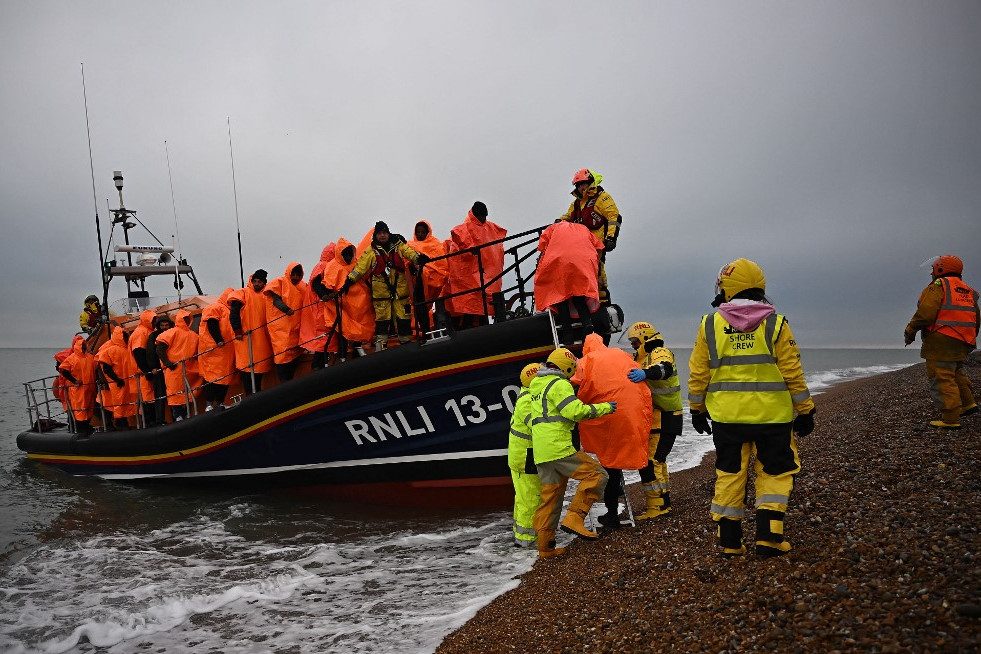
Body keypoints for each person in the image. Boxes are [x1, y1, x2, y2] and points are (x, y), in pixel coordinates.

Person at [688, 258, 815, 558]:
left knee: (730, 472)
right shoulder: (776, 323)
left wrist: (696, 409)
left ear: (726, 288)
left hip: (727, 418)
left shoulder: (709, 324)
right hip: (773, 418)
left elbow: (698, 373)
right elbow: (792, 372)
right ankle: (769, 537)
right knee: (774, 472)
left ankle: (730, 541)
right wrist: (806, 409)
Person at [530, 347, 617, 558]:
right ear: (567, 367)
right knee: (597, 475)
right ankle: (575, 518)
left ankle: (545, 547)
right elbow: (574, 411)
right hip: (559, 448)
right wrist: (605, 407)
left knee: (550, 499)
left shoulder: (536, 385)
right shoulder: (559, 384)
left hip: (541, 453)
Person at [571, 334, 651, 529]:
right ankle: (655, 500)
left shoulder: (586, 360)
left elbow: (574, 381)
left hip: (609, 415)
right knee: (624, 454)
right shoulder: (621, 354)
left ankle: (612, 514)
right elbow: (637, 372)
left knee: (610, 464)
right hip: (631, 412)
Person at [904, 254, 979, 428]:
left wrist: (910, 330)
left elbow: (926, 313)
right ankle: (968, 404)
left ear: (940, 269)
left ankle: (951, 419)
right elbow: (977, 319)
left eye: (934, 269)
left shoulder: (939, 286)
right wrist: (969, 339)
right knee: (956, 373)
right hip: (963, 340)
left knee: (942, 377)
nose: (931, 273)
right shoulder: (968, 290)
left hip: (941, 339)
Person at [626, 321, 684, 520]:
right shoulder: (641, 357)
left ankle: (657, 506)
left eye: (634, 341)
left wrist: (645, 374)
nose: (633, 344)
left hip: (668, 415)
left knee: (652, 462)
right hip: (659, 417)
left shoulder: (659, 351)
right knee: (658, 460)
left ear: (644, 338)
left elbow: (664, 369)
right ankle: (663, 502)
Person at [346, 221, 427, 349]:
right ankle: (380, 349)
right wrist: (349, 280)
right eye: (379, 233)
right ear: (375, 235)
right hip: (381, 294)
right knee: (382, 322)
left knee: (404, 318)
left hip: (400, 293)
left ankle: (406, 345)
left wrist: (419, 258)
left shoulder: (398, 245)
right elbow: (360, 268)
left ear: (388, 233)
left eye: (384, 233)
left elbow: (410, 253)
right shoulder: (371, 251)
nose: (382, 235)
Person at [535, 219, 606, 345]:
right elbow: (599, 244)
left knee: (560, 299)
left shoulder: (553, 228)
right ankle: (587, 324)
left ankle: (567, 335)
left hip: (560, 262)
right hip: (583, 262)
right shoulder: (583, 228)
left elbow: (542, 245)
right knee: (579, 296)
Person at [558, 169, 622, 308]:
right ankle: (584, 305)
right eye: (578, 185)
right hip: (580, 247)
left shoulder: (602, 198)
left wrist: (611, 238)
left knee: (598, 273)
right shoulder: (576, 203)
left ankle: (603, 304)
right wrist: (559, 222)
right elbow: (568, 217)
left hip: (596, 244)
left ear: (590, 182)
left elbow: (614, 217)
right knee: (580, 275)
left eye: (583, 184)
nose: (581, 187)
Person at [446, 203, 506, 330]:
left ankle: (480, 328)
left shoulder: (491, 227)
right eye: (480, 216)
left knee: (479, 306)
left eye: (484, 216)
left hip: (485, 276)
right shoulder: (466, 228)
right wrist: (470, 247)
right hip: (471, 277)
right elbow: (456, 233)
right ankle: (470, 329)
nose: (483, 219)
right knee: (471, 306)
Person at [320, 238, 374, 362]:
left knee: (363, 326)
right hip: (342, 305)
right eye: (346, 253)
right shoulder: (332, 266)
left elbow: (366, 276)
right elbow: (327, 285)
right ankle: (343, 355)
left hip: (361, 303)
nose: (348, 256)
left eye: (350, 253)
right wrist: (327, 295)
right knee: (343, 328)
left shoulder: (357, 262)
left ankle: (358, 349)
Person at [508, 363, 543, 548]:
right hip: (525, 457)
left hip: (523, 455)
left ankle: (522, 536)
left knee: (524, 498)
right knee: (530, 498)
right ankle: (526, 542)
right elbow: (537, 425)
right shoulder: (528, 401)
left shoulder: (528, 396)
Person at [229, 270, 274, 394]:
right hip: (245, 341)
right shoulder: (242, 294)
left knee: (259, 371)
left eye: (259, 282)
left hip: (262, 342)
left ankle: (256, 396)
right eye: (254, 281)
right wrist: (237, 330)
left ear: (264, 283)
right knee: (247, 372)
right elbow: (234, 313)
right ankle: (251, 398)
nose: (256, 284)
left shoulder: (267, 295)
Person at [156, 309, 201, 422]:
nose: (186, 320)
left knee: (185, 393)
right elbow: (160, 348)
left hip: (189, 370)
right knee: (175, 394)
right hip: (174, 370)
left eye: (187, 318)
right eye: (184, 318)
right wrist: (167, 363)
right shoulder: (171, 332)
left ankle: (184, 415)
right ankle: (177, 417)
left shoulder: (193, 335)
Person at [264, 262, 307, 381]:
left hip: (295, 328)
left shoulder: (302, 286)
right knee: (282, 355)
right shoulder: (280, 282)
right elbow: (275, 300)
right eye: (294, 274)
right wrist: (286, 309)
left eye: (298, 275)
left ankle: (289, 382)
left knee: (294, 354)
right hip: (281, 329)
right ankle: (284, 384)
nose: (296, 278)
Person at [198, 289, 238, 411]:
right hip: (215, 351)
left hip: (227, 351)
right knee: (213, 378)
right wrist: (218, 340)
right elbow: (211, 323)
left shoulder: (230, 310)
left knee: (226, 378)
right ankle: (209, 403)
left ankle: (220, 402)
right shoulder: (215, 307)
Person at [408, 220, 449, 334]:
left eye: (422, 232)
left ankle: (423, 330)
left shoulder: (436, 245)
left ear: (427, 232)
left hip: (429, 282)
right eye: (418, 232)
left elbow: (442, 267)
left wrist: (424, 270)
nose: (420, 234)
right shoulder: (410, 245)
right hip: (414, 283)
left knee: (422, 307)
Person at [97, 327, 139, 429]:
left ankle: (121, 423)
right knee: (115, 404)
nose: (126, 338)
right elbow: (103, 365)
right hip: (114, 383)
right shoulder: (110, 349)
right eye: (124, 336)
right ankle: (116, 424)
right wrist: (114, 379)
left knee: (122, 403)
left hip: (124, 382)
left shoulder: (125, 349)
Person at [303, 243, 336, 369]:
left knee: (327, 338)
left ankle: (322, 365)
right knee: (324, 338)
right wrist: (324, 296)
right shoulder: (323, 265)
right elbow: (316, 284)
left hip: (325, 307)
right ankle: (317, 366)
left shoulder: (326, 266)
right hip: (322, 308)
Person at [58, 335, 98, 434]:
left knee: (88, 408)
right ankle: (80, 428)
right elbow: (63, 370)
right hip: (78, 389)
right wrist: (74, 381)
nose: (84, 347)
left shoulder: (90, 357)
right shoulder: (72, 358)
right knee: (80, 409)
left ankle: (86, 425)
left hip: (89, 388)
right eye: (83, 345)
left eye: (85, 345)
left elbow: (96, 369)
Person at [128, 309, 158, 426]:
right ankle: (150, 422)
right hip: (142, 373)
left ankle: (153, 421)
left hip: (147, 372)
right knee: (147, 398)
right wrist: (147, 371)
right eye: (153, 320)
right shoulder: (140, 332)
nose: (155, 322)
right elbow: (138, 353)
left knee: (150, 397)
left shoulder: (148, 331)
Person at [145, 314, 173, 424]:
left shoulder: (173, 332)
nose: (165, 327)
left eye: (167, 325)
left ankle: (176, 416)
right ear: (159, 326)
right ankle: (159, 420)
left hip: (171, 368)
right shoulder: (153, 336)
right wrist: (153, 368)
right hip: (159, 370)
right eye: (162, 325)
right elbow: (151, 353)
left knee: (174, 393)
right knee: (160, 395)